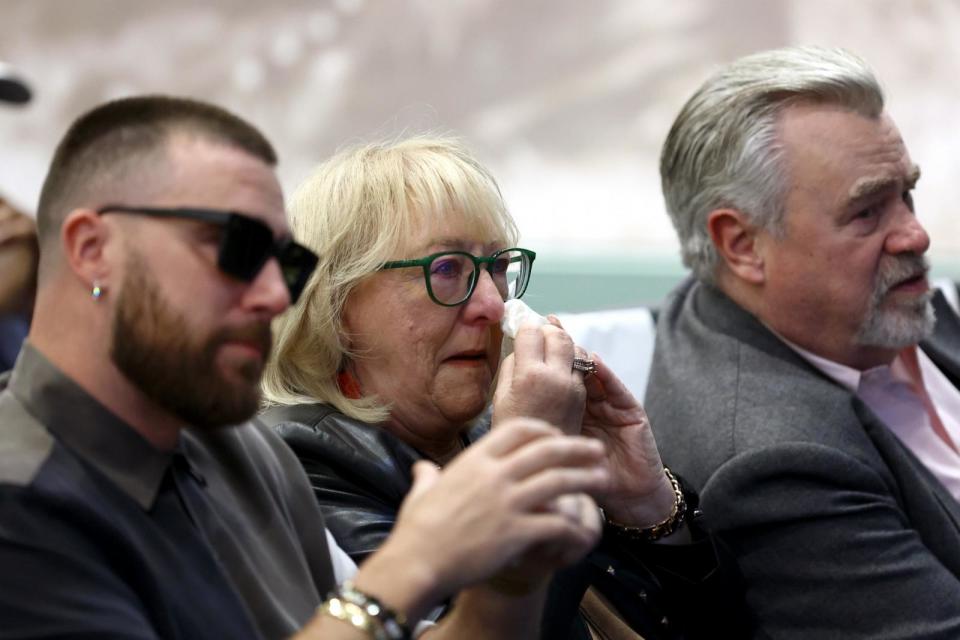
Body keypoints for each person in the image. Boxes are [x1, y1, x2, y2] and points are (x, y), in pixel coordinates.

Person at [0, 95, 614, 639]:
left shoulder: (242, 454)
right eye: (237, 249)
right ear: (93, 251)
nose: (275, 294)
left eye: (286, 263)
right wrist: (408, 571)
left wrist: (508, 580)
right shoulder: (19, 496)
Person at [259, 136, 747, 640]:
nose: (492, 306)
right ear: (335, 309)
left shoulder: (486, 427)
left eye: (497, 268)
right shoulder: (298, 466)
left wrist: (649, 506)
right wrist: (534, 455)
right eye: (446, 270)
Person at [645, 45, 960, 638]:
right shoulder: (771, 464)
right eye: (867, 212)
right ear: (741, 245)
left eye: (908, 194)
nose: (915, 233)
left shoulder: (866, 306)